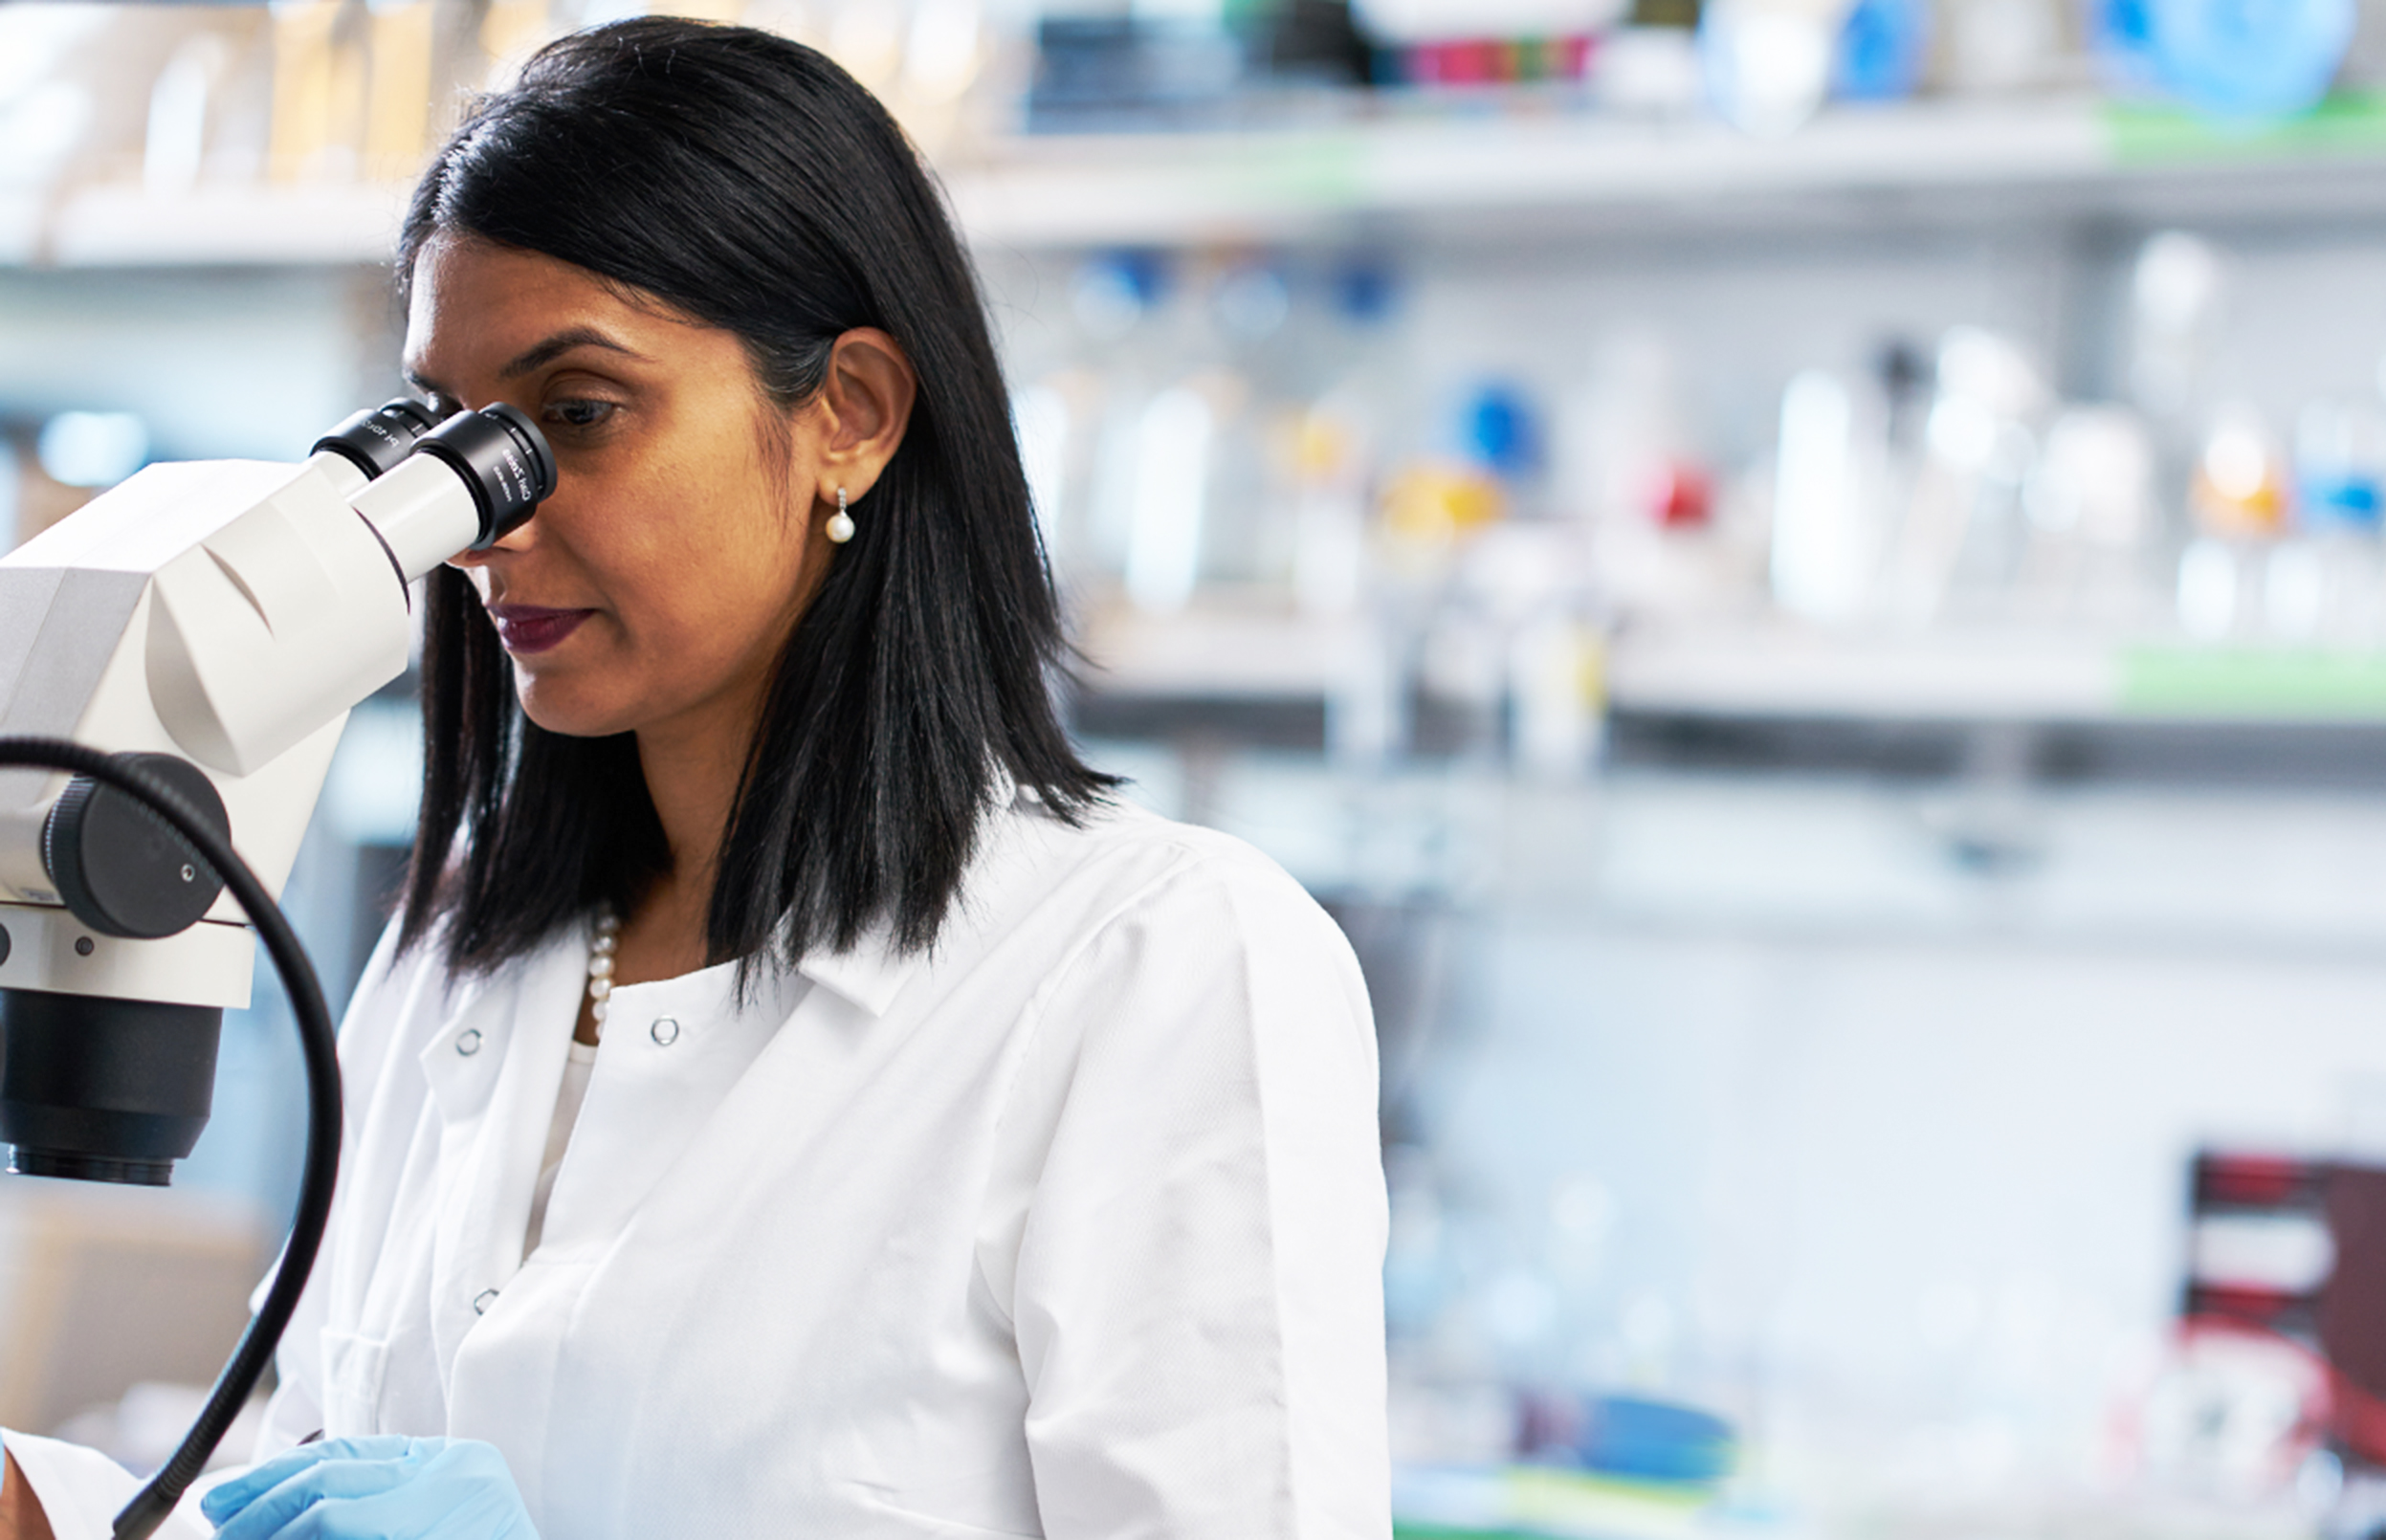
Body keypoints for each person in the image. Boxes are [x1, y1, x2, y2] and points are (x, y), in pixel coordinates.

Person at [0, 19, 1388, 1538]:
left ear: (849, 413)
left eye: (575, 415)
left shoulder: (1159, 968)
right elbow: (274, 1479)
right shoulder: (463, 949)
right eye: (449, 439)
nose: (480, 523)